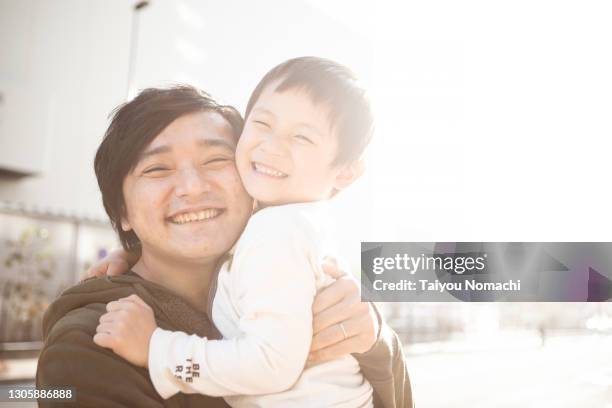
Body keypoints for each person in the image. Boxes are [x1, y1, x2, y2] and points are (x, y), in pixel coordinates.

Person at [37, 83, 412, 407]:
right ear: (122, 212)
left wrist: (373, 340)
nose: (193, 187)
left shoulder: (293, 279)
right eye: (157, 169)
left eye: (216, 160)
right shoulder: (92, 342)